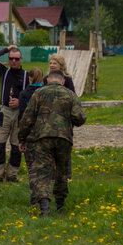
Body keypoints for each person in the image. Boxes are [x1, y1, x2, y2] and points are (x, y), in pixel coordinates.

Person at [18, 70, 87, 216]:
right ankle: (60, 206)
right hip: (64, 138)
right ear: (62, 81)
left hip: (43, 138)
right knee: (61, 172)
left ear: (47, 80)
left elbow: (27, 118)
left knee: (43, 172)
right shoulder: (70, 94)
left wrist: (22, 139)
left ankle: (44, 208)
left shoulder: (38, 93)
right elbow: (80, 118)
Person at [0, 45, 27, 182]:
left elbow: (32, 96)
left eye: (16, 59)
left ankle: (12, 175)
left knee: (16, 147)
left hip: (19, 114)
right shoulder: (3, 72)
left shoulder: (27, 76)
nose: (14, 61)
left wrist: (20, 103)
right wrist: (6, 49)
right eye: (11, 59)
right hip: (4, 111)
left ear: (21, 59)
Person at [18, 68, 46, 205]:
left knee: (32, 167)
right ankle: (45, 197)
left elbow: (23, 117)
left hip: (30, 134)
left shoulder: (24, 94)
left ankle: (35, 198)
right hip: (46, 133)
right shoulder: (47, 93)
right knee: (44, 167)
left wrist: (21, 139)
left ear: (29, 78)